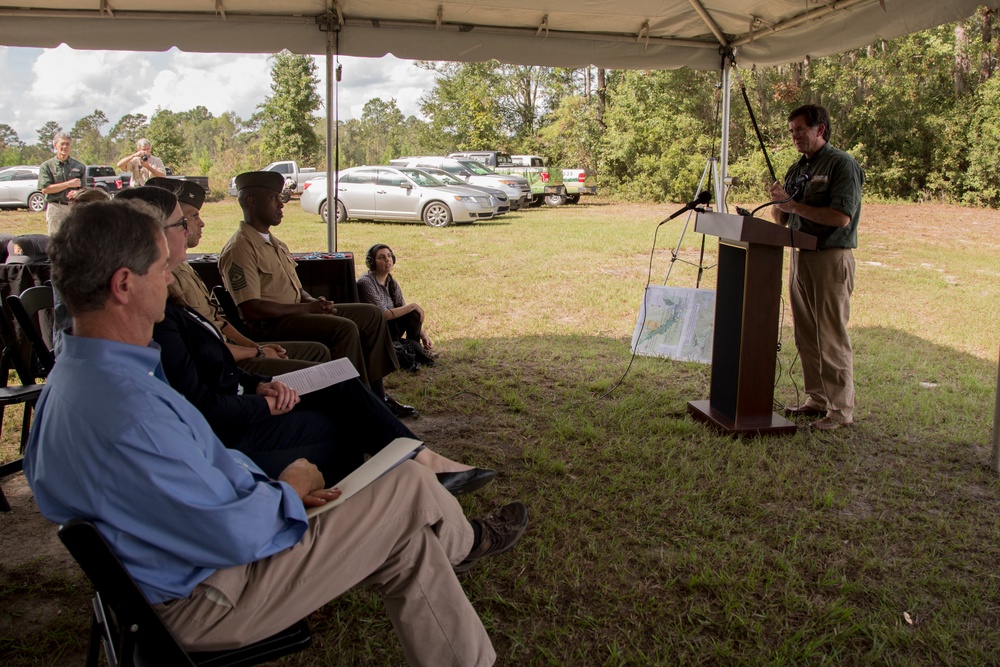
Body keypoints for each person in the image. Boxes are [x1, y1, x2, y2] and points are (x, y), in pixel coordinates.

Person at [23, 198, 529, 663]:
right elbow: (234, 532)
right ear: (124, 285)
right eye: (162, 269)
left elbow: (173, 488)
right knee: (407, 484)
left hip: (172, 572)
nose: (170, 279)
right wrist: (291, 485)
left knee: (409, 543)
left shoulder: (77, 380)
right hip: (209, 595)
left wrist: (262, 483)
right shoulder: (129, 411)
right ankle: (465, 540)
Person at [126, 183, 495, 493]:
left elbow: (215, 340)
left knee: (345, 356)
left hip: (246, 377)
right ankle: (409, 452)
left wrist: (306, 308)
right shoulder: (164, 305)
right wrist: (259, 376)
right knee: (338, 355)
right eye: (184, 221)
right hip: (260, 348)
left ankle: (383, 408)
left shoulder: (174, 288)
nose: (197, 224)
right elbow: (232, 336)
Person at [220, 171, 417, 418]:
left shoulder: (274, 242)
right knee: (344, 329)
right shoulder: (240, 248)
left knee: (370, 314)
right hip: (270, 325)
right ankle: (359, 405)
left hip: (295, 314)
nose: (282, 204)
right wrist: (305, 309)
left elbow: (296, 288)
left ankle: (377, 395)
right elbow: (250, 309)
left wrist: (313, 302)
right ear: (251, 201)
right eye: (274, 198)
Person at [143, 177, 329, 375]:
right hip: (221, 361)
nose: (201, 223)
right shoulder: (165, 280)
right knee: (332, 365)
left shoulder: (184, 268)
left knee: (323, 354)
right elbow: (202, 344)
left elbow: (217, 321)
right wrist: (256, 352)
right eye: (189, 218)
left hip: (228, 347)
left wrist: (256, 348)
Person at [768, 104, 864, 431]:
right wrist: (780, 203)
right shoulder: (797, 169)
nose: (794, 136)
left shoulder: (842, 164)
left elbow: (841, 216)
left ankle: (840, 410)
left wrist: (793, 204)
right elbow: (782, 217)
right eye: (791, 130)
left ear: (820, 129)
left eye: (800, 129)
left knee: (830, 334)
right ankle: (818, 399)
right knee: (806, 333)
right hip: (800, 256)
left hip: (830, 257)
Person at [357, 243, 435, 353]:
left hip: (391, 328)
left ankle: (414, 348)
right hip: (375, 332)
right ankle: (415, 351)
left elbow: (403, 310)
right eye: (381, 257)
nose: (387, 260)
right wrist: (413, 306)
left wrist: (423, 335)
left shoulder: (391, 282)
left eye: (389, 256)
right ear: (372, 263)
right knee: (412, 310)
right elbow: (384, 314)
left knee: (413, 314)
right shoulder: (365, 283)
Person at [37, 131, 86, 234]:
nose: (65, 147)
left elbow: (84, 189)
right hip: (56, 208)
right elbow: (45, 189)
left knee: (75, 241)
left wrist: (78, 193)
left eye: (67, 144)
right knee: (56, 241)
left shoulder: (79, 166)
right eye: (62, 144)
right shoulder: (47, 166)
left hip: (74, 208)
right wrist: (68, 184)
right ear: (55, 146)